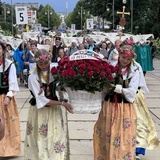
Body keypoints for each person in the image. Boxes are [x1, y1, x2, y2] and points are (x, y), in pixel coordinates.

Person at [24, 49, 72, 160]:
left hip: (54, 110)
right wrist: (62, 103)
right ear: (36, 62)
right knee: (40, 137)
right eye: (41, 63)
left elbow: (62, 88)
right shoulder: (33, 77)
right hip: (39, 111)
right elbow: (42, 100)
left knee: (56, 136)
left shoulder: (54, 73)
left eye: (46, 63)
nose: (44, 65)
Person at [93, 44, 140, 160]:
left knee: (122, 133)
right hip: (109, 105)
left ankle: (120, 156)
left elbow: (132, 91)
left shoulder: (134, 70)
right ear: (119, 56)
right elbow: (103, 86)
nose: (125, 61)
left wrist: (117, 89)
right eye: (123, 57)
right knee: (107, 131)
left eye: (128, 59)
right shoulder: (111, 67)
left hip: (124, 106)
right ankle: (108, 155)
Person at [134, 61, 159, 160]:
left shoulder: (136, 66)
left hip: (135, 96)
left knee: (139, 122)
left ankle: (137, 149)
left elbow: (140, 83)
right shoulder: (115, 65)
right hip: (118, 98)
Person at [0, 42, 21, 156]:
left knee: (7, 124)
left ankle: (7, 149)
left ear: (3, 50)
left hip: (5, 98)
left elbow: (13, 84)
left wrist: (8, 97)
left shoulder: (9, 65)